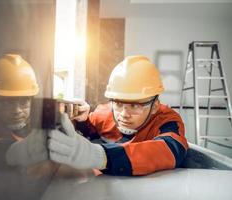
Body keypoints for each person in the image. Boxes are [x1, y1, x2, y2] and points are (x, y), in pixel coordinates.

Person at [48, 55, 188, 176]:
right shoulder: (104, 113)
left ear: (154, 106)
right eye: (119, 104)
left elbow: (170, 149)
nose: (124, 114)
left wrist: (100, 156)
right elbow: (89, 129)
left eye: (135, 105)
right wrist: (83, 121)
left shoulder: (167, 121)